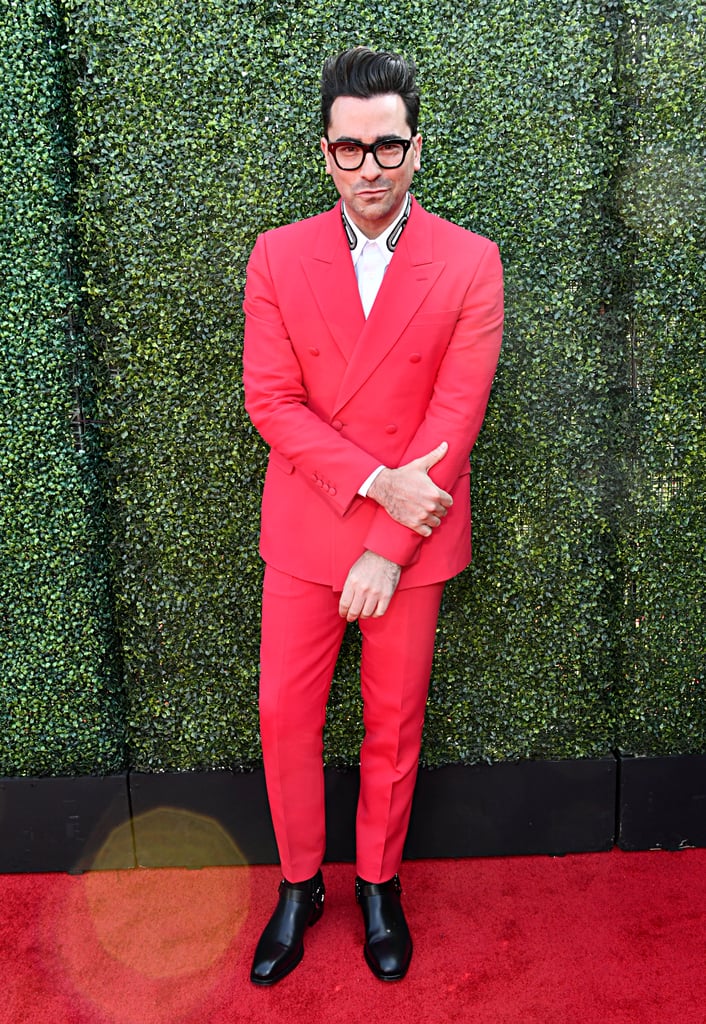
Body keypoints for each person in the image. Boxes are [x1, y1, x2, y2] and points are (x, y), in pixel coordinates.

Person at [242, 45, 504, 985]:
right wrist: (375, 484)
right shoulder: (276, 255)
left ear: (416, 150)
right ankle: (301, 882)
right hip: (310, 528)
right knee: (285, 716)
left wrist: (391, 541)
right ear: (326, 155)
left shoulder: (471, 261)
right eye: (350, 150)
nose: (370, 167)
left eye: (387, 146)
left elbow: (453, 419)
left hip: (412, 540)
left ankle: (379, 883)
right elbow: (272, 404)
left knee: (393, 724)